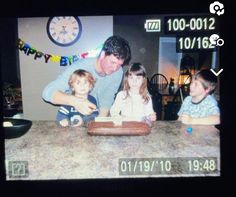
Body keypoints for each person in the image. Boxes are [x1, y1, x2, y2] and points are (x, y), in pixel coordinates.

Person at [42, 35, 131, 117]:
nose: (115, 68)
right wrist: (76, 102)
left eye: (120, 64)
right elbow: (47, 92)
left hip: (93, 117)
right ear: (103, 54)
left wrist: (99, 122)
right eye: (113, 62)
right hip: (71, 117)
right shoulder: (80, 66)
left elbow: (107, 98)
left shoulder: (118, 72)